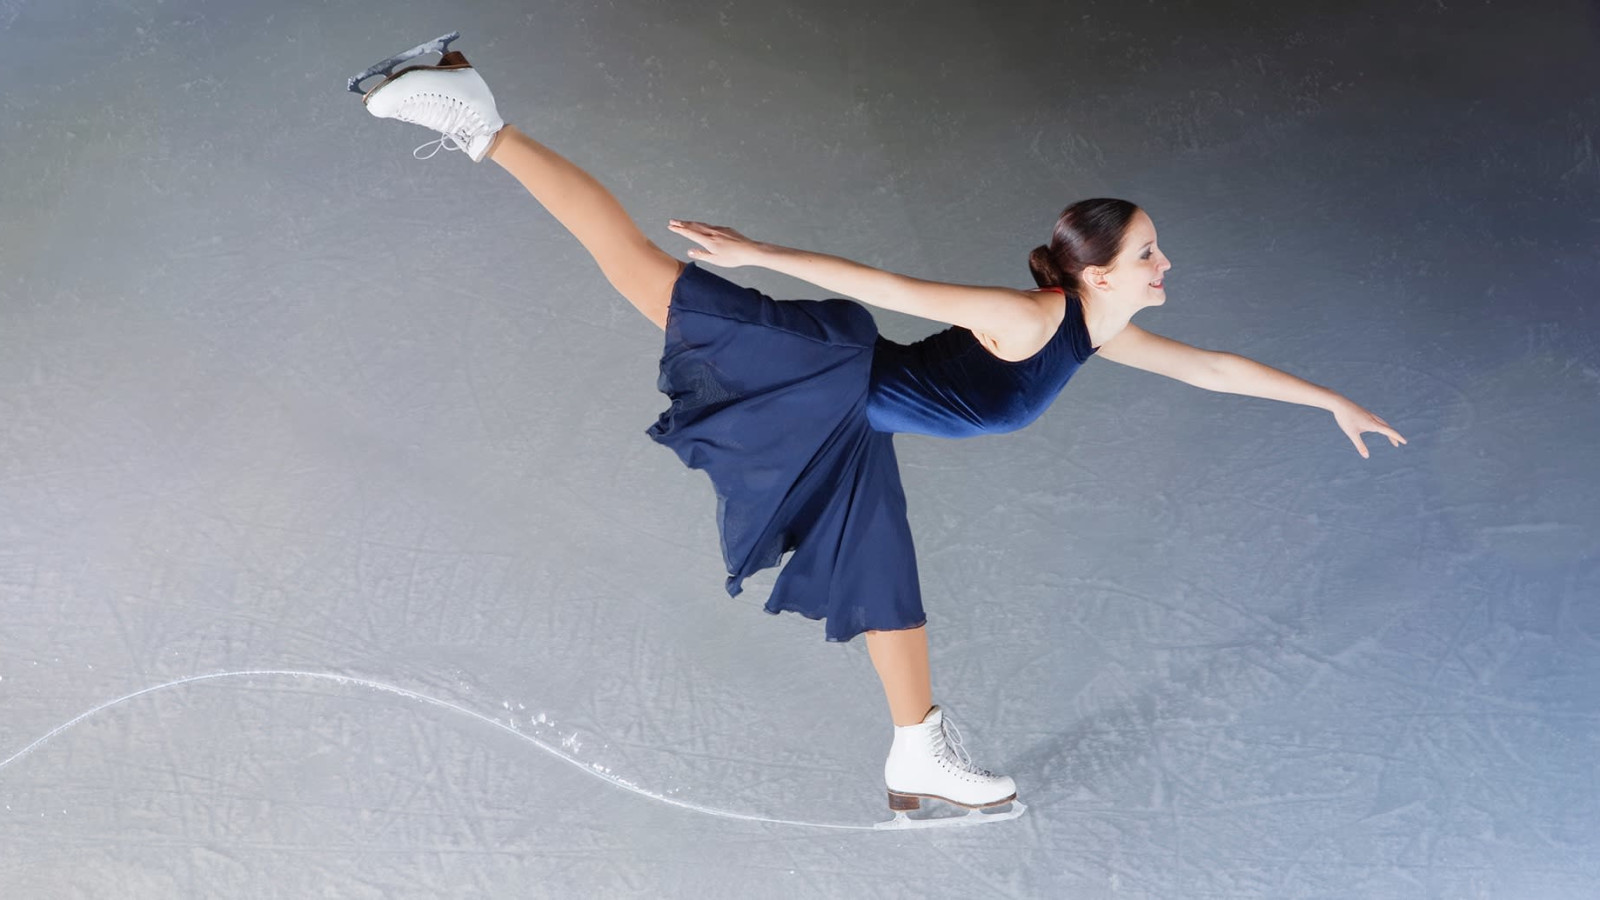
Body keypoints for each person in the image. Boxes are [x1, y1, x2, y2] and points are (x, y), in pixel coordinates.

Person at [349, 41, 1406, 819]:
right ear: (1092, 273)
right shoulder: (1030, 317)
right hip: (825, 378)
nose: (1163, 267)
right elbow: (893, 284)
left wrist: (1328, 400)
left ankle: (918, 754)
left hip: (855, 424)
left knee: (885, 585)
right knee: (630, 262)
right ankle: (475, 111)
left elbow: (1215, 369)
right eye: (1146, 257)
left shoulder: (1096, 331)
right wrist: (759, 253)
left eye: (1155, 251)